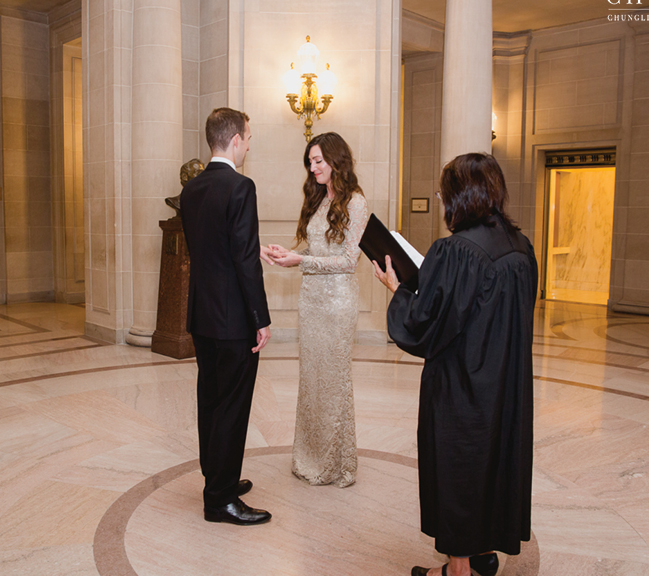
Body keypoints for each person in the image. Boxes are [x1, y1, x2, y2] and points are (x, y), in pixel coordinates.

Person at [372, 153, 537, 576]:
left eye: (443, 191)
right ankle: (482, 554)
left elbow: (423, 328)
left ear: (458, 197)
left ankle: (458, 570)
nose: (439, 198)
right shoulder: (521, 247)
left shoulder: (455, 251)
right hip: (505, 385)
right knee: (492, 464)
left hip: (461, 387)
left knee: (458, 470)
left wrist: (399, 289)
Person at [180, 107, 273, 526]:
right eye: (249, 138)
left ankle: (218, 477)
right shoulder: (241, 187)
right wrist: (261, 316)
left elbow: (205, 253)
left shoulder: (192, 190)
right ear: (235, 139)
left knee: (211, 400)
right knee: (233, 406)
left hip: (202, 315)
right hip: (234, 319)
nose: (249, 145)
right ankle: (220, 500)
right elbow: (244, 259)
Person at [267, 132, 369, 488]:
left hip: (339, 302)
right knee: (312, 380)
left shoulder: (356, 203)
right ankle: (309, 456)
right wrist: (288, 255)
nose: (312, 169)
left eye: (319, 162)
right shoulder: (317, 199)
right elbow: (314, 250)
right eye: (310, 163)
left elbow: (347, 261)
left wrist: (302, 260)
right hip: (310, 300)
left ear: (336, 161)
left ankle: (335, 464)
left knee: (333, 380)